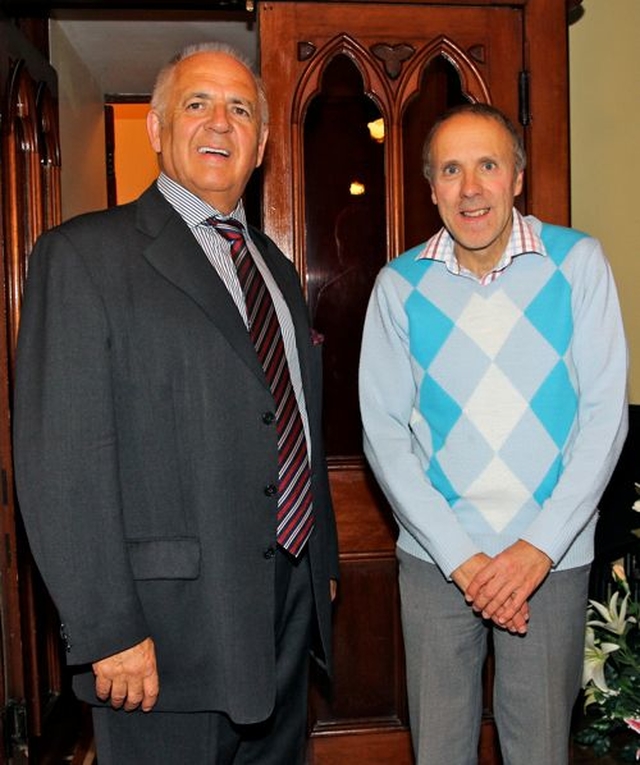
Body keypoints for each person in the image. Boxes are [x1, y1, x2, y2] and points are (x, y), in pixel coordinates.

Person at [13, 42, 338, 765]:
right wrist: (106, 629)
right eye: (198, 104)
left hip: (284, 618)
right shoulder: (83, 257)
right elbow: (60, 463)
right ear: (158, 129)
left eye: (241, 110)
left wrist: (321, 572)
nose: (221, 123)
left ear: (259, 147)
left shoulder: (278, 272)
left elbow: (292, 427)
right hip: (164, 636)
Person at [359, 102, 628, 764]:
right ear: (432, 188)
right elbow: (384, 436)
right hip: (437, 563)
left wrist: (537, 548)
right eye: (451, 169)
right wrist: (463, 557)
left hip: (552, 561)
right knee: (440, 751)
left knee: (539, 749)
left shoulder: (578, 264)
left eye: (487, 165)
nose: (470, 187)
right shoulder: (398, 286)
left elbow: (604, 415)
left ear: (517, 177)